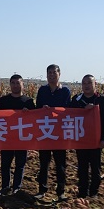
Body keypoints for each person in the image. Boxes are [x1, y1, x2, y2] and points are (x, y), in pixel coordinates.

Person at [70, 74, 104, 198]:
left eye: (89, 83)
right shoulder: (76, 99)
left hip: (95, 140)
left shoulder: (101, 100)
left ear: (95, 85)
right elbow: (69, 115)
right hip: (81, 140)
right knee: (82, 167)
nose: (86, 86)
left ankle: (94, 191)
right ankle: (83, 191)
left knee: (95, 167)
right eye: (84, 83)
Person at [35, 64, 72, 201]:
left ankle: (60, 192)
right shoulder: (42, 90)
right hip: (44, 131)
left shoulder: (65, 91)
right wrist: (42, 108)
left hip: (60, 133)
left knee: (60, 163)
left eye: (54, 72)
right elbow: (37, 108)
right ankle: (42, 190)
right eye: (49, 73)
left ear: (59, 74)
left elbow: (67, 109)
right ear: (46, 75)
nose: (51, 75)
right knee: (44, 163)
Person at [0, 75, 35, 196]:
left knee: (20, 164)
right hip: (7, 137)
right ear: (10, 85)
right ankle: (5, 187)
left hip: (22, 138)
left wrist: (28, 114)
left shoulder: (28, 101)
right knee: (5, 164)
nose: (15, 85)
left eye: (18, 83)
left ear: (22, 85)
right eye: (13, 83)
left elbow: (34, 118)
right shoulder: (3, 101)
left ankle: (17, 187)